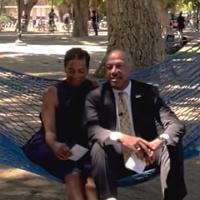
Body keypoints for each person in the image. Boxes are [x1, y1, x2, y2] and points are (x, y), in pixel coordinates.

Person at [83, 49, 187, 200]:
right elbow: (91, 129)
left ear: (130, 68)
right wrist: (121, 137)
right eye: (109, 67)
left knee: (170, 143)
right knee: (98, 146)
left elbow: (176, 124)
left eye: (119, 66)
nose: (113, 71)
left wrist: (157, 142)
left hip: (147, 155)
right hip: (113, 159)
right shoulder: (95, 97)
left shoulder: (147, 92)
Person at [23, 48, 98, 200]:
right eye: (71, 70)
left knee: (92, 177)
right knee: (73, 173)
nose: (76, 75)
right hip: (50, 143)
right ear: (65, 68)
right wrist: (55, 145)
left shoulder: (94, 88)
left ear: (88, 70)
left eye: (81, 71)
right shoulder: (53, 92)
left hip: (81, 144)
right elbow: (49, 132)